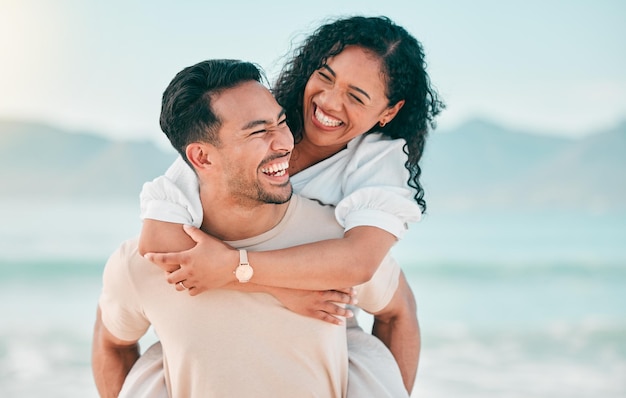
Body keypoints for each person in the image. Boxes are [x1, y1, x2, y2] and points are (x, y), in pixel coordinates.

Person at [139, 15, 443, 392]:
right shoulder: (250, 120)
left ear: (388, 112)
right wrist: (272, 287)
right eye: (326, 76)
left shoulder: (376, 159)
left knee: (399, 305)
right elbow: (156, 239)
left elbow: (359, 262)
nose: (329, 102)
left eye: (356, 96)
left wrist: (236, 268)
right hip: (264, 304)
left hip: (329, 318)